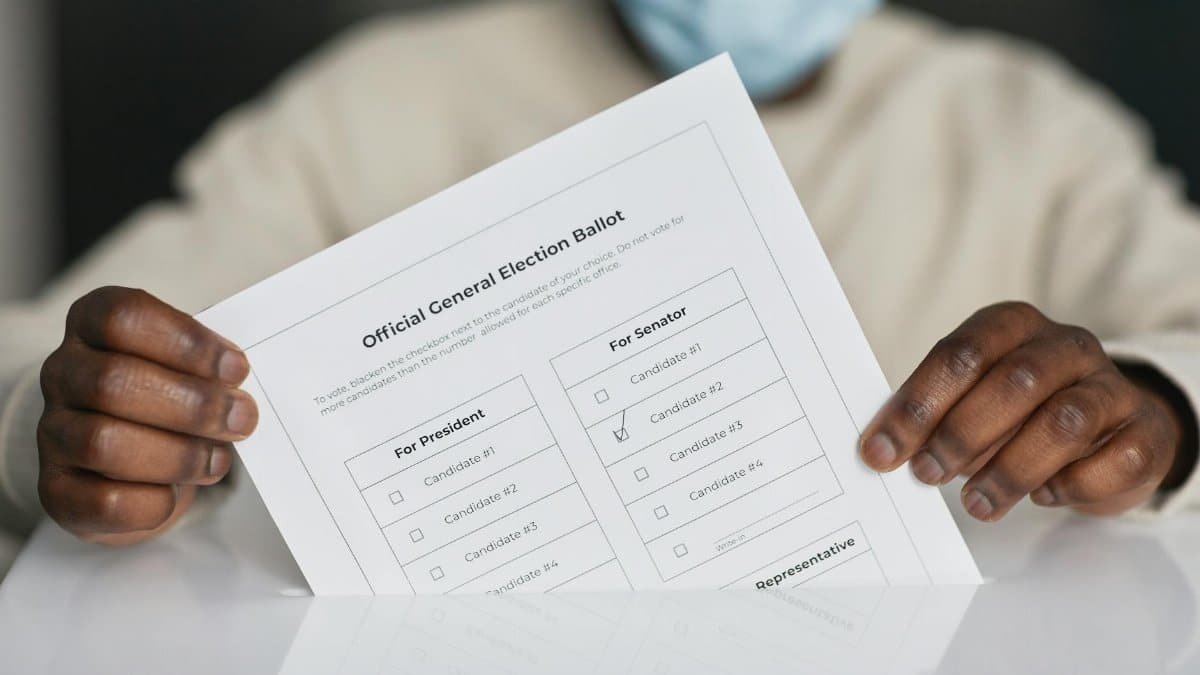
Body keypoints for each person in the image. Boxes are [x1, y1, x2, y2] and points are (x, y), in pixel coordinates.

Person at [0, 0, 1197, 572]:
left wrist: (1155, 411)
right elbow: (58, 355)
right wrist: (63, 425)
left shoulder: (1032, 127)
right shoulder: (381, 100)